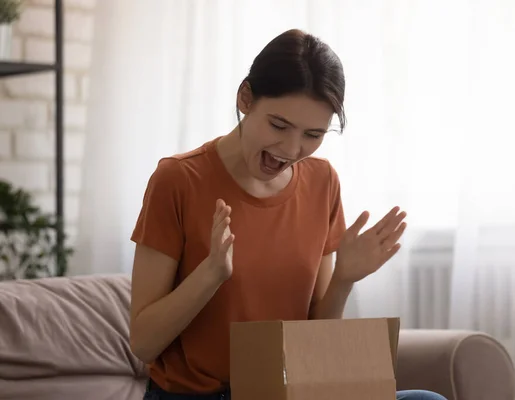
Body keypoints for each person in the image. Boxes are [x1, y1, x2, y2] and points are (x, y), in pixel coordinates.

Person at [129, 29, 446, 400]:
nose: (292, 149)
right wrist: (210, 275)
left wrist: (343, 278)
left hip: (290, 391)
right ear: (245, 98)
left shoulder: (322, 180)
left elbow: (316, 344)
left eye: (313, 134)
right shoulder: (178, 179)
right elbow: (143, 344)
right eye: (279, 126)